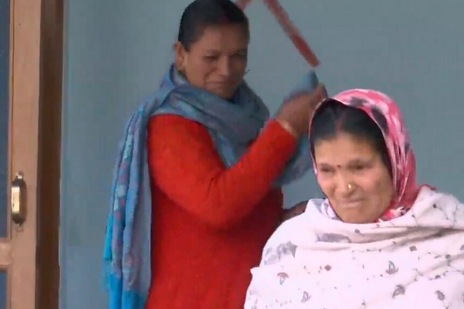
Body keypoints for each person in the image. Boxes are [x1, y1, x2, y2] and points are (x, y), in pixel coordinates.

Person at [102, 0, 326, 308]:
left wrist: (283, 220)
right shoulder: (168, 125)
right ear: (180, 55)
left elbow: (243, 202)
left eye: (238, 56)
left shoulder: (243, 119)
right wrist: (285, 128)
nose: (226, 70)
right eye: (211, 57)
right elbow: (218, 206)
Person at [244, 89, 464, 308]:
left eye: (359, 167)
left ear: (395, 162)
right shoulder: (291, 247)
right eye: (327, 171)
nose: (344, 187)